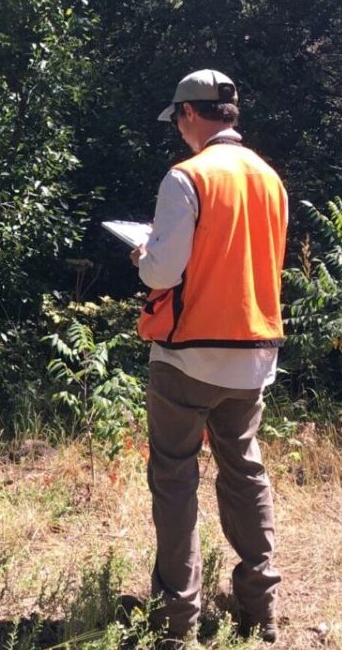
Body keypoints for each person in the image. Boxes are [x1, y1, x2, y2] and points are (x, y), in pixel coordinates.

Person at [129, 69, 287, 645]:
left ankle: (179, 622)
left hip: (187, 354)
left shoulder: (186, 178)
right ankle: (260, 610)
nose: (176, 130)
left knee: (174, 477)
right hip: (253, 355)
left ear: (190, 115)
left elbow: (163, 272)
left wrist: (144, 254)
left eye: (176, 119)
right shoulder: (271, 180)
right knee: (244, 474)